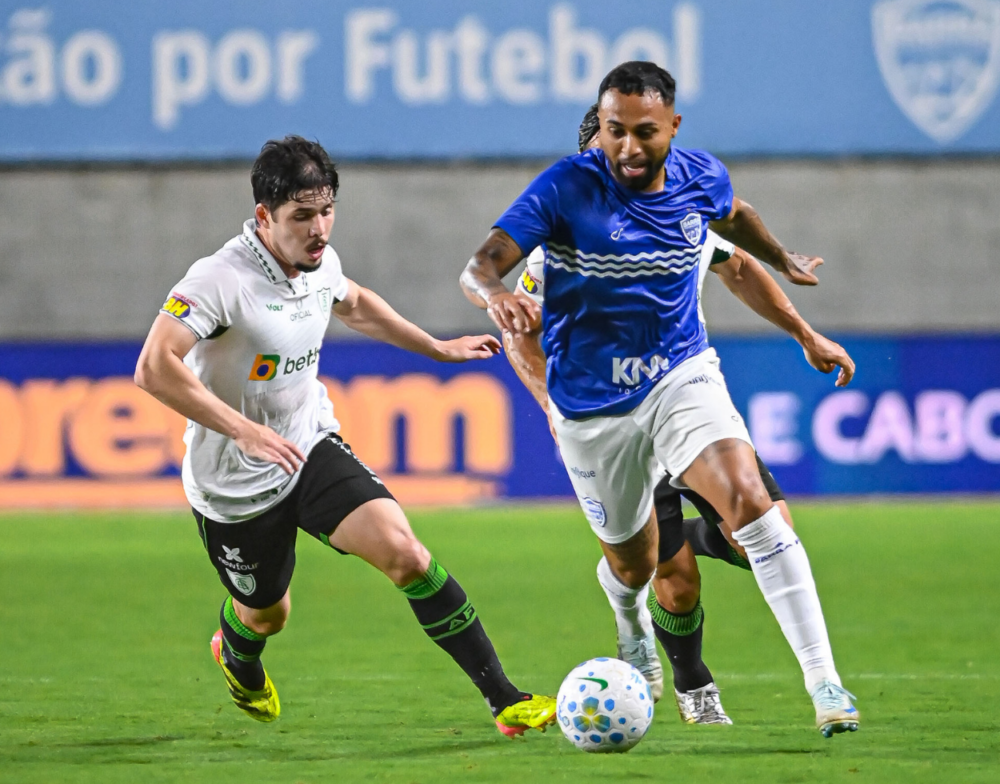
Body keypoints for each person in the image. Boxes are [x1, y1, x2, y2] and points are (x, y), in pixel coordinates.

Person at [461, 62, 859, 737]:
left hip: (680, 375)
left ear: (672, 127)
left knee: (754, 505)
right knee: (638, 562)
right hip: (594, 407)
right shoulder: (564, 192)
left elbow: (736, 228)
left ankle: (826, 684)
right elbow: (482, 266)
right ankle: (628, 616)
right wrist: (496, 298)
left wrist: (792, 284)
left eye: (643, 131)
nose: (626, 147)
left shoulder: (700, 181)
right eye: (614, 132)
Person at [135, 135, 556, 737]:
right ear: (264, 217)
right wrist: (244, 431)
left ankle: (504, 700)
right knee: (267, 614)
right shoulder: (217, 280)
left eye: (326, 211)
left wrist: (436, 347)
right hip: (234, 482)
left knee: (408, 555)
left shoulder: (318, 262)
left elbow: (355, 303)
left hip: (308, 447)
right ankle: (237, 651)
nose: (319, 228)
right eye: (302, 216)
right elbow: (154, 368)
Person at [505, 104, 800, 725]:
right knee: (676, 580)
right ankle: (694, 682)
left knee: (760, 541)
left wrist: (805, 332)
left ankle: (675, 546)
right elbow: (518, 332)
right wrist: (552, 408)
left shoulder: (676, 207)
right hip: (616, 419)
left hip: (683, 404)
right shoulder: (559, 237)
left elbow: (738, 263)